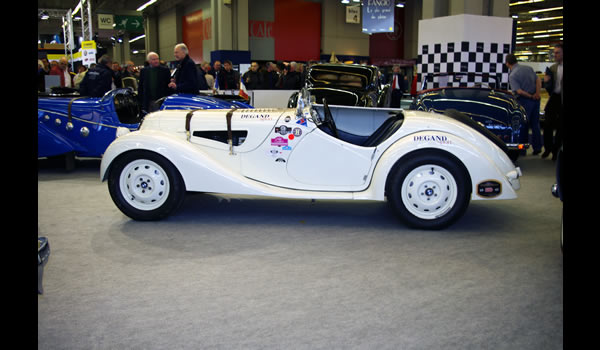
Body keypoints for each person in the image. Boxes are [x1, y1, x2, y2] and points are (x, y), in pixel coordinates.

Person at [505, 53, 542, 155]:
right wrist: (537, 93)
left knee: (524, 125)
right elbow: (538, 80)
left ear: (507, 63)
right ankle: (537, 147)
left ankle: (523, 150)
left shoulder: (512, 75)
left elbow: (519, 91)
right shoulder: (528, 68)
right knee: (536, 124)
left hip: (525, 101)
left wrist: (530, 96)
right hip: (536, 100)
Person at [542, 44, 563, 161]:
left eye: (557, 52)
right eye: (554, 52)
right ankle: (548, 148)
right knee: (548, 124)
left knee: (560, 127)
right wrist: (546, 82)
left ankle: (556, 151)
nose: (555, 55)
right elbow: (549, 85)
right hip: (554, 97)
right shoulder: (553, 68)